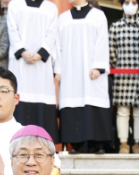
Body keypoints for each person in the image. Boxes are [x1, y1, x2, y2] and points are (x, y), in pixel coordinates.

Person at [54, 0, 111, 153]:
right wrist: (58, 68)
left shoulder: (98, 16)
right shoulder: (63, 18)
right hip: (70, 70)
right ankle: (76, 144)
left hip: (91, 70)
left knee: (93, 102)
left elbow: (102, 42)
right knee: (72, 102)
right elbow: (57, 46)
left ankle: (96, 144)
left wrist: (98, 66)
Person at [6, 0, 59, 141]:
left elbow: (52, 33)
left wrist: (41, 53)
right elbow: (12, 29)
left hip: (42, 64)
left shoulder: (51, 8)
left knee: (41, 94)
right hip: (19, 62)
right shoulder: (15, 5)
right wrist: (22, 51)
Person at [109, 0, 139, 154]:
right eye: (127, 2)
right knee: (122, 111)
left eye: (134, 2)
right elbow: (111, 52)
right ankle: (123, 143)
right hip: (122, 75)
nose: (130, 5)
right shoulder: (115, 27)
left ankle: (138, 143)